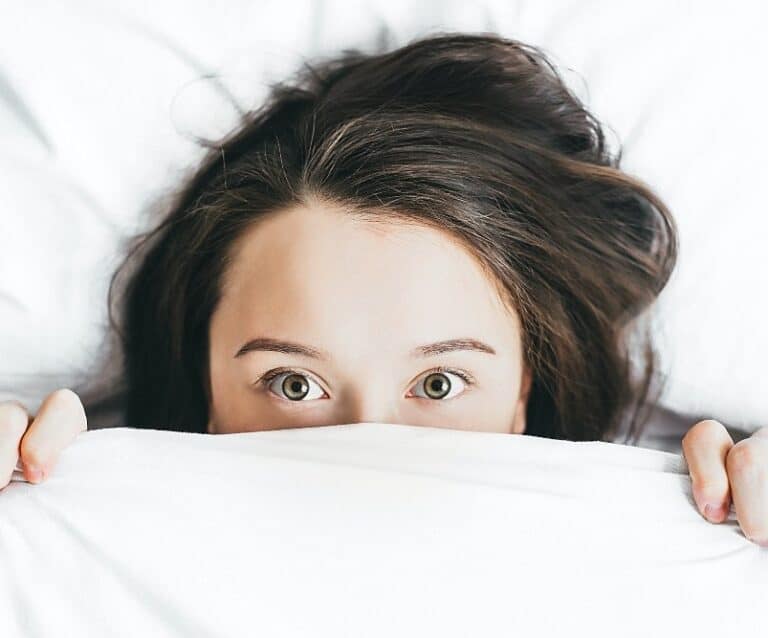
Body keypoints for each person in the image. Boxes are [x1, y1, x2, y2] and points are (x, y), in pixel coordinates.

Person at [1, 32, 765, 546]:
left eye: (439, 381)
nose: (369, 446)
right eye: (292, 383)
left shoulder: (664, 540)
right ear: (204, 386)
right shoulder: (86, 539)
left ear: (526, 387)